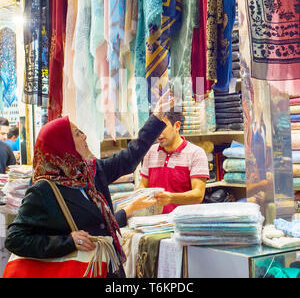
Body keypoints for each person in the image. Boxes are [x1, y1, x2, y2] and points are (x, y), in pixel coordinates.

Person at [4, 91, 173, 278]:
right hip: (79, 270)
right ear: (63, 145)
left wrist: (156, 118)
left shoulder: (90, 171)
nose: (84, 137)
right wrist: (67, 242)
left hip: (107, 267)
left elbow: (129, 158)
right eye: (77, 134)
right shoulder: (44, 188)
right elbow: (15, 238)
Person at [138, 108, 210, 214]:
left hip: (183, 222)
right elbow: (143, 184)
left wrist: (171, 198)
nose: (158, 133)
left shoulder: (196, 153)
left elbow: (198, 194)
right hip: (154, 223)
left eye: (162, 126)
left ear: (176, 126)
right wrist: (138, 194)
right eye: (155, 127)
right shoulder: (151, 152)